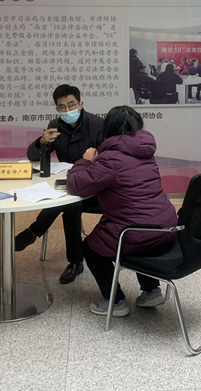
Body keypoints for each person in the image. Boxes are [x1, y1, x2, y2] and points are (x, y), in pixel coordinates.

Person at [68, 106, 177, 317]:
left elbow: (77, 185)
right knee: (139, 228)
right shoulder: (146, 152)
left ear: (108, 129)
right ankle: (151, 290)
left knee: (90, 248)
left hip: (139, 233)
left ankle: (115, 301)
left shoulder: (110, 159)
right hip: (167, 227)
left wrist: (85, 161)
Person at [17, 84, 104, 284]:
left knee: (69, 202)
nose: (67, 110)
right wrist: (41, 143)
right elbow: (33, 157)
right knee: (69, 201)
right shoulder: (55, 126)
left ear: (81, 104)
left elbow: (108, 162)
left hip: (96, 188)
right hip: (71, 184)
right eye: (62, 107)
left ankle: (35, 232)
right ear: (57, 109)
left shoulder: (98, 125)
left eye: (71, 105)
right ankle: (75, 261)